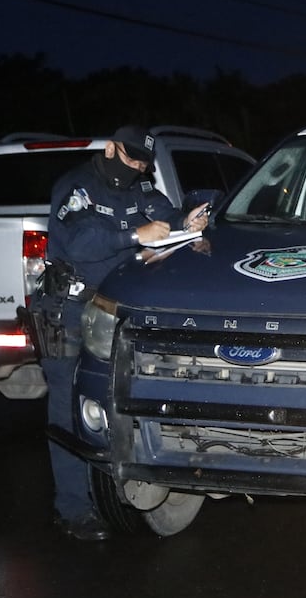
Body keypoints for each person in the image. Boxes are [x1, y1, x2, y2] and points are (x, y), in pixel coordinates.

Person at [37, 125, 209, 540]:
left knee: (114, 401)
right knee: (68, 408)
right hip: (69, 311)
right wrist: (134, 236)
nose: (136, 168)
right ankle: (73, 509)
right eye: (130, 159)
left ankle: (113, 491)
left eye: (143, 164)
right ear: (111, 149)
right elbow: (80, 242)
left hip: (114, 311)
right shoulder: (78, 186)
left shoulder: (138, 188)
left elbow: (163, 215)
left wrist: (185, 221)